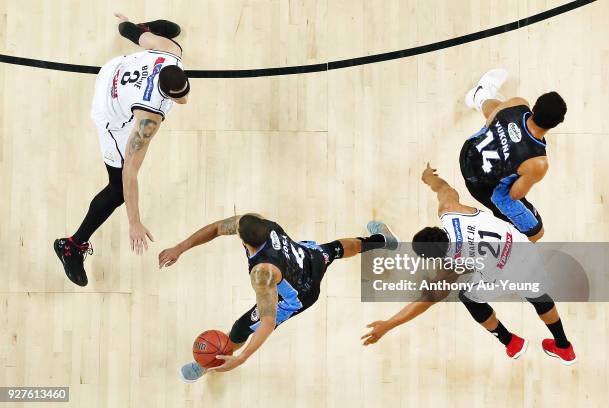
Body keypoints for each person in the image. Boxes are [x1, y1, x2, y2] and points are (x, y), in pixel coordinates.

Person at [361, 164, 576, 366]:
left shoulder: (450, 267)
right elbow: (444, 188)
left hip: (502, 276)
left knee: (468, 297)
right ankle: (563, 346)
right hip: (523, 249)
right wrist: (429, 178)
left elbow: (425, 301)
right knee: (537, 294)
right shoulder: (450, 210)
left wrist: (387, 325)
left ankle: (510, 341)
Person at [157, 214, 399, 381]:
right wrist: (180, 248)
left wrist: (241, 359)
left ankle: (212, 361)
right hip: (308, 257)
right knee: (335, 248)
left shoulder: (262, 274)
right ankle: (382, 241)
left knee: (241, 327)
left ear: (244, 240)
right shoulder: (265, 225)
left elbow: (267, 322)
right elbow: (218, 228)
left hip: (299, 295)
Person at [54, 13, 190, 286]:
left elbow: (128, 32)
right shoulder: (148, 118)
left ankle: (149, 27)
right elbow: (131, 171)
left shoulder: (171, 53)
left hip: (116, 68)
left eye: (185, 90)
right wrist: (134, 222)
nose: (184, 98)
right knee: (117, 189)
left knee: (157, 38)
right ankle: (71, 245)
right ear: (165, 93)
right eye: (178, 96)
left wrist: (131, 26)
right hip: (110, 110)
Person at [461, 69, 567, 242]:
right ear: (558, 123)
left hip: (467, 154)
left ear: (534, 107)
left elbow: (489, 122)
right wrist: (515, 159)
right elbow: (515, 194)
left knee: (500, 112)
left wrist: (507, 144)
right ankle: (507, 256)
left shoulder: (518, 103)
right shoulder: (538, 163)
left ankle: (480, 95)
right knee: (536, 232)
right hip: (481, 187)